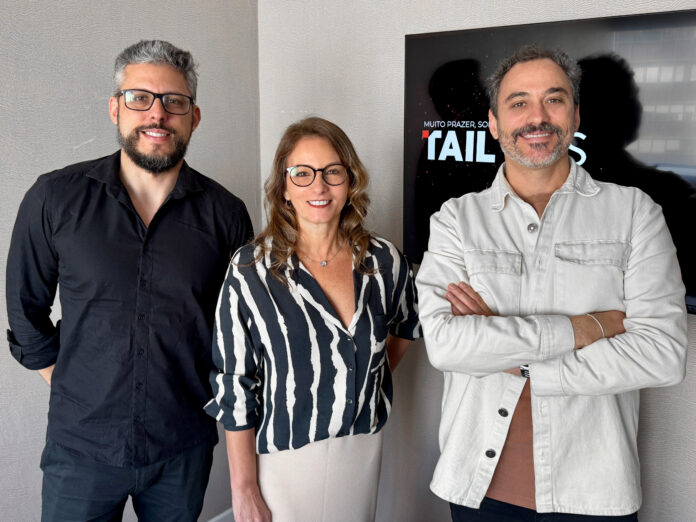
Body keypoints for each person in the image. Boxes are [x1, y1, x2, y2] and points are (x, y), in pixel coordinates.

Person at [416, 45, 687, 521]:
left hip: (594, 492)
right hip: (478, 489)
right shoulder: (456, 220)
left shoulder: (634, 213)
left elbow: (662, 353)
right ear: (494, 123)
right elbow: (445, 345)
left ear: (575, 115)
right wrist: (588, 327)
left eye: (554, 99)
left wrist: (512, 356)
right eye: (518, 102)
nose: (537, 117)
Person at [6, 40, 252, 521]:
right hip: (81, 449)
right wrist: (71, 379)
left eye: (173, 101)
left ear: (194, 117)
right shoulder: (54, 199)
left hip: (182, 446)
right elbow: (25, 309)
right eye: (140, 98)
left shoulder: (226, 215)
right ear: (115, 109)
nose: (157, 114)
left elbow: (240, 332)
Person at [205, 117, 421, 522]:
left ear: (350, 181)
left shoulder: (384, 261)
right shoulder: (251, 270)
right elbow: (235, 384)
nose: (318, 186)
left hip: (362, 450)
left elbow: (406, 323)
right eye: (302, 173)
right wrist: (244, 487)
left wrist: (359, 377)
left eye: (332, 172)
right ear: (283, 188)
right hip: (286, 460)